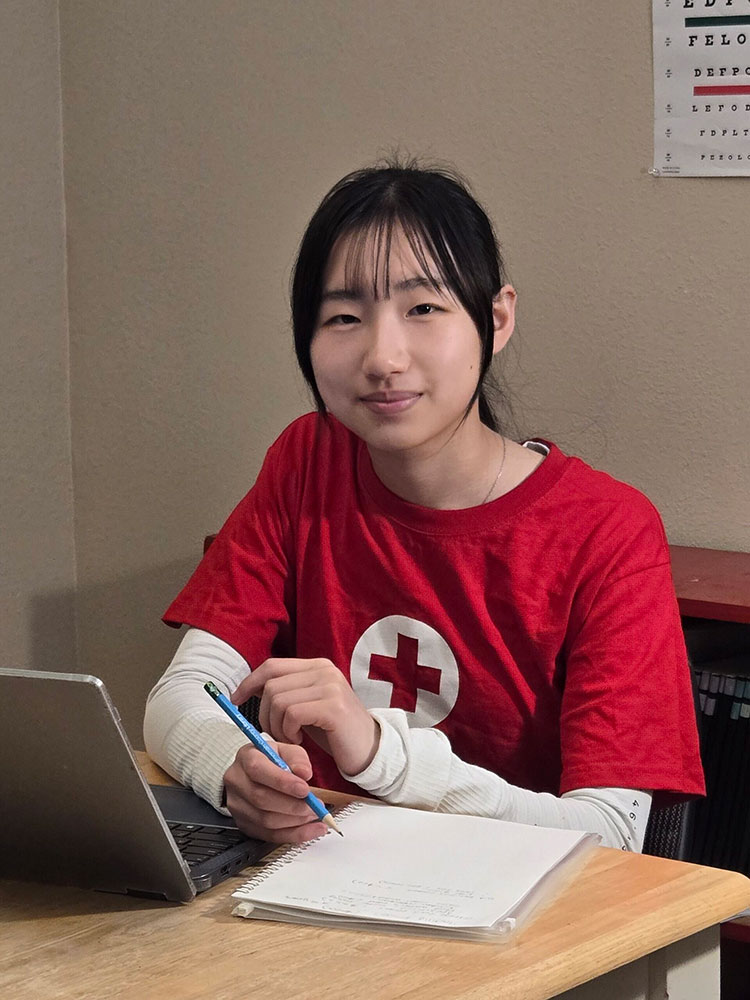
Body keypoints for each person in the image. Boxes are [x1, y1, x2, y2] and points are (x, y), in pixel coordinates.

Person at [143, 160, 704, 852]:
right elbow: (183, 694)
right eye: (344, 316)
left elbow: (612, 834)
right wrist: (234, 773)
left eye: (424, 309)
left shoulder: (605, 529)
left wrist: (382, 752)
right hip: (320, 891)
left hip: (518, 929)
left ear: (495, 320)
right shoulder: (307, 460)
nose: (384, 356)